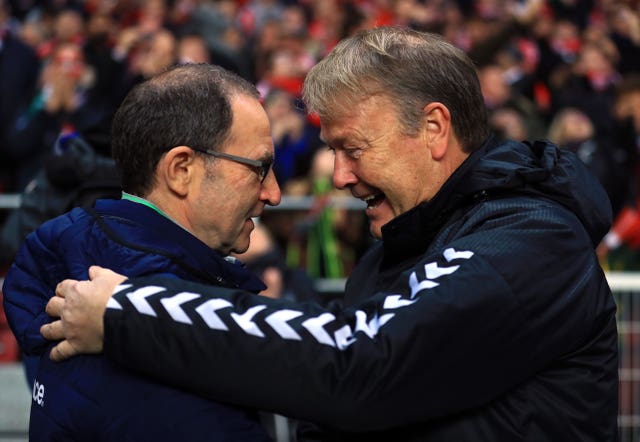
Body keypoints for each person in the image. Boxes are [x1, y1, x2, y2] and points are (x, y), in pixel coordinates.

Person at [42, 27, 618, 441]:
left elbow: (363, 361)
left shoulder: (530, 237)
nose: (340, 177)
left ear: (434, 129)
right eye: (332, 151)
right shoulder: (384, 258)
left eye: (353, 149)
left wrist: (128, 314)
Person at [3, 63, 280, 441]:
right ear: (181, 169)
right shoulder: (170, 324)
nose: (274, 193)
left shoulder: (71, 261)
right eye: (260, 168)